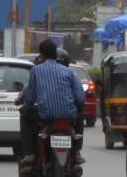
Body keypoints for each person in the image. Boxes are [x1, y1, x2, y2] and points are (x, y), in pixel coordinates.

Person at [16, 39, 85, 170]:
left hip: (46, 115)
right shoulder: (69, 72)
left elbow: (30, 98)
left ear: (41, 55)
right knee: (80, 115)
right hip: (69, 116)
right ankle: (76, 152)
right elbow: (80, 99)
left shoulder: (36, 70)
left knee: (25, 115)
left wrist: (27, 107)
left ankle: (30, 153)